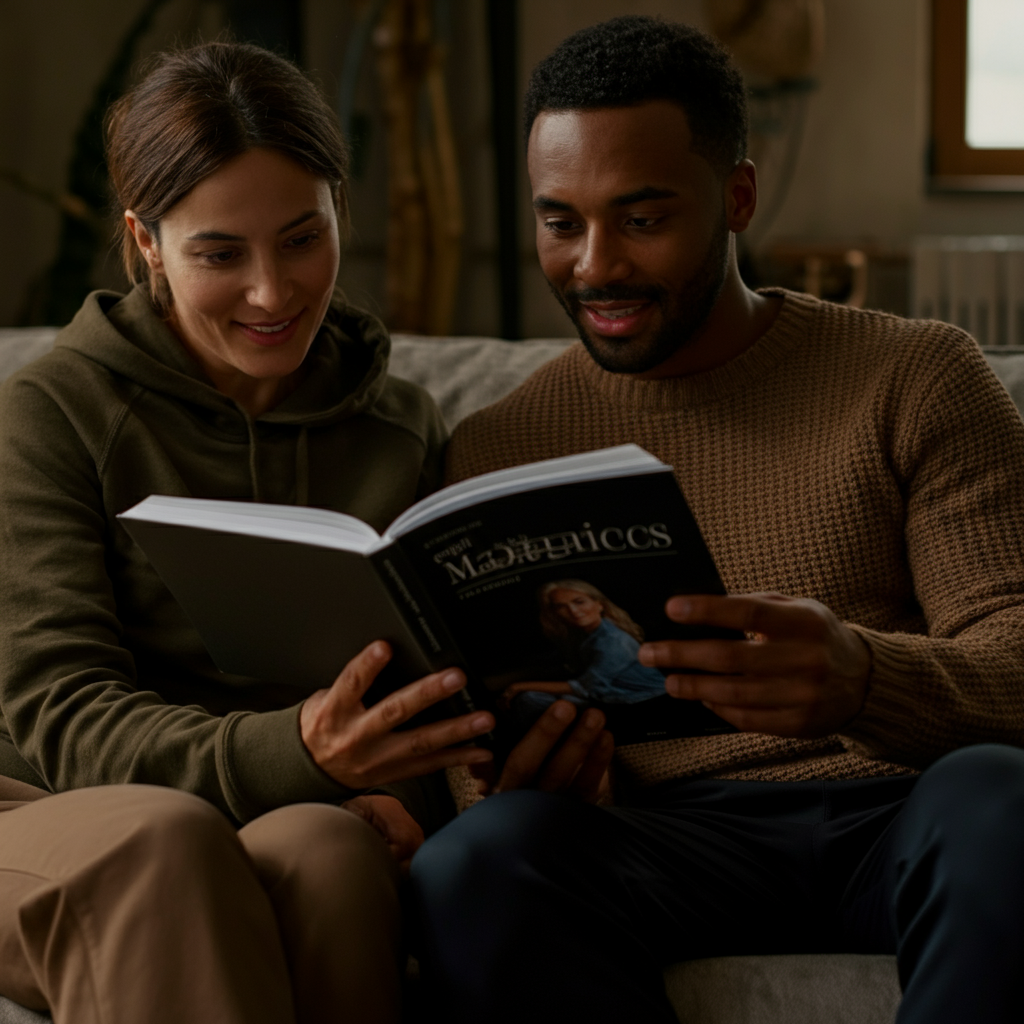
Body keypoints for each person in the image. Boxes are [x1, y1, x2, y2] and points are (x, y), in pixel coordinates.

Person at [409, 16, 1024, 1024]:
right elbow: (487, 751)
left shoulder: (916, 376)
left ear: (735, 197)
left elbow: (1016, 657)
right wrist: (518, 775)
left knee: (1003, 802)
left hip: (902, 812)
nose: (593, 265)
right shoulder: (494, 446)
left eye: (641, 218)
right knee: (476, 861)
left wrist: (865, 679)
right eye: (560, 221)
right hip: (663, 836)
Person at [0, 41, 494, 1024]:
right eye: (220, 253)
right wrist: (299, 754)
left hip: (289, 803)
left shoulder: (399, 429)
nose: (272, 294)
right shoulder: (51, 413)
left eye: (302, 238)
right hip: (40, 800)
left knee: (331, 854)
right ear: (146, 242)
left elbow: (428, 695)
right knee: (167, 839)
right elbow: (56, 713)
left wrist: (408, 799)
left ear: (339, 213)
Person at [502, 580, 666, 723]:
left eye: (579, 602)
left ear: (599, 604)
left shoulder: (614, 640)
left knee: (530, 700)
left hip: (643, 702)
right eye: (561, 607)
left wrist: (518, 686)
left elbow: (585, 687)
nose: (573, 611)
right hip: (609, 697)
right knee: (535, 699)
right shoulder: (584, 635)